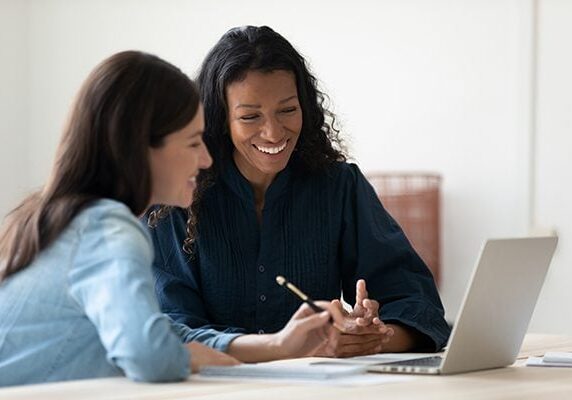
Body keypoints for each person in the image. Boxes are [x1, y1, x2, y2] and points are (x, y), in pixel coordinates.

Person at [0, 50, 342, 387]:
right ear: (140, 147)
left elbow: (156, 333)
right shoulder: (108, 228)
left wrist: (277, 345)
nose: (207, 159)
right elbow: (150, 355)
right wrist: (192, 357)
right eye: (194, 142)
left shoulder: (67, 219)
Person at [146, 26, 451, 359]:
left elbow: (421, 307)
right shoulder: (176, 197)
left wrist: (368, 337)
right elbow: (171, 331)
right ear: (220, 120)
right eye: (250, 116)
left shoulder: (339, 186)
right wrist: (284, 348)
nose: (274, 132)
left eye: (288, 110)